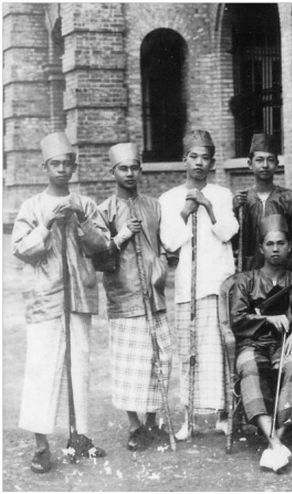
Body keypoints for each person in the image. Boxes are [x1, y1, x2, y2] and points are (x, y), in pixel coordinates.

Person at [12, 132, 110, 473]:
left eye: (68, 164)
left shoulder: (85, 204)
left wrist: (82, 222)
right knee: (43, 368)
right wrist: (46, 225)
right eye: (55, 164)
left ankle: (80, 436)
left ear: (74, 167)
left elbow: (103, 248)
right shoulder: (32, 206)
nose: (62, 170)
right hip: (45, 299)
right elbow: (21, 249)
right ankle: (40, 445)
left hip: (79, 296)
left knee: (80, 365)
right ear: (45, 167)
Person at [159, 130, 239, 439]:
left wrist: (207, 206)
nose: (199, 163)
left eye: (205, 158)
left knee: (219, 352)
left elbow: (228, 232)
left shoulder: (222, 194)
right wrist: (185, 211)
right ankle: (188, 418)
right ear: (184, 160)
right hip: (187, 287)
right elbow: (169, 242)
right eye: (194, 157)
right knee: (188, 352)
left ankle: (223, 413)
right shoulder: (169, 198)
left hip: (217, 284)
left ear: (213, 162)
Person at [229, 214, 292, 471]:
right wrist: (268, 319)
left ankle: (277, 439)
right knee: (248, 365)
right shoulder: (245, 281)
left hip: (286, 346)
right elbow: (237, 320)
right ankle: (273, 441)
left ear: (289, 246)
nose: (275, 249)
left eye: (280, 243)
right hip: (252, 344)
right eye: (269, 244)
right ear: (261, 247)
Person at [97, 142, 173, 451]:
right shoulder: (105, 210)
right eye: (123, 168)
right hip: (125, 296)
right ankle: (134, 424)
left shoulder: (154, 205)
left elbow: (164, 245)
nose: (130, 173)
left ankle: (153, 419)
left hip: (153, 295)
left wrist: (162, 265)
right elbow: (100, 256)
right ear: (112, 171)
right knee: (130, 363)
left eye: (134, 167)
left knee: (161, 357)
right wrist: (124, 233)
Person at [233, 133, 292, 272]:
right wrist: (234, 210)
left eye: (270, 160)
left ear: (277, 164)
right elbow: (233, 241)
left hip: (284, 273)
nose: (265, 165)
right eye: (259, 160)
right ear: (250, 164)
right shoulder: (242, 200)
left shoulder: (288, 197)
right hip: (250, 273)